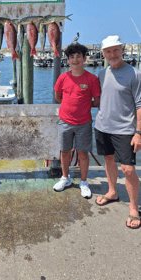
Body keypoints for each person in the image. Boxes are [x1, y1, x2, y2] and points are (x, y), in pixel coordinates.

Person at [94, 35, 141, 229]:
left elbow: (139, 105)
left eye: (115, 50)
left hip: (125, 130)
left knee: (128, 169)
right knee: (108, 160)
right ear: (103, 54)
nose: (112, 54)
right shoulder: (101, 74)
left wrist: (138, 132)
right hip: (102, 126)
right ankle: (112, 191)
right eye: (107, 51)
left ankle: (133, 207)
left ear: (122, 49)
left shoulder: (135, 74)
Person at [52, 42, 101, 199]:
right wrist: (69, 106)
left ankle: (84, 182)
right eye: (71, 57)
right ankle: (65, 178)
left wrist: (84, 106)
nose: (75, 60)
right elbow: (58, 97)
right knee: (64, 152)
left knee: (83, 154)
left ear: (84, 58)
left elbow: (97, 101)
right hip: (65, 122)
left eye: (78, 56)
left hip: (84, 123)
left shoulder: (92, 79)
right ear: (68, 60)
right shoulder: (62, 77)